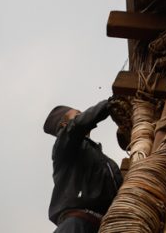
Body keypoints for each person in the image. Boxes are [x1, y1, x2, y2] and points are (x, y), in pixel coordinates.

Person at [43, 99, 124, 232]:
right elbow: (77, 126)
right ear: (65, 125)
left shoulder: (99, 158)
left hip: (102, 226)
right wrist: (111, 102)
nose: (84, 116)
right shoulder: (64, 147)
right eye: (78, 114)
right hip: (77, 225)